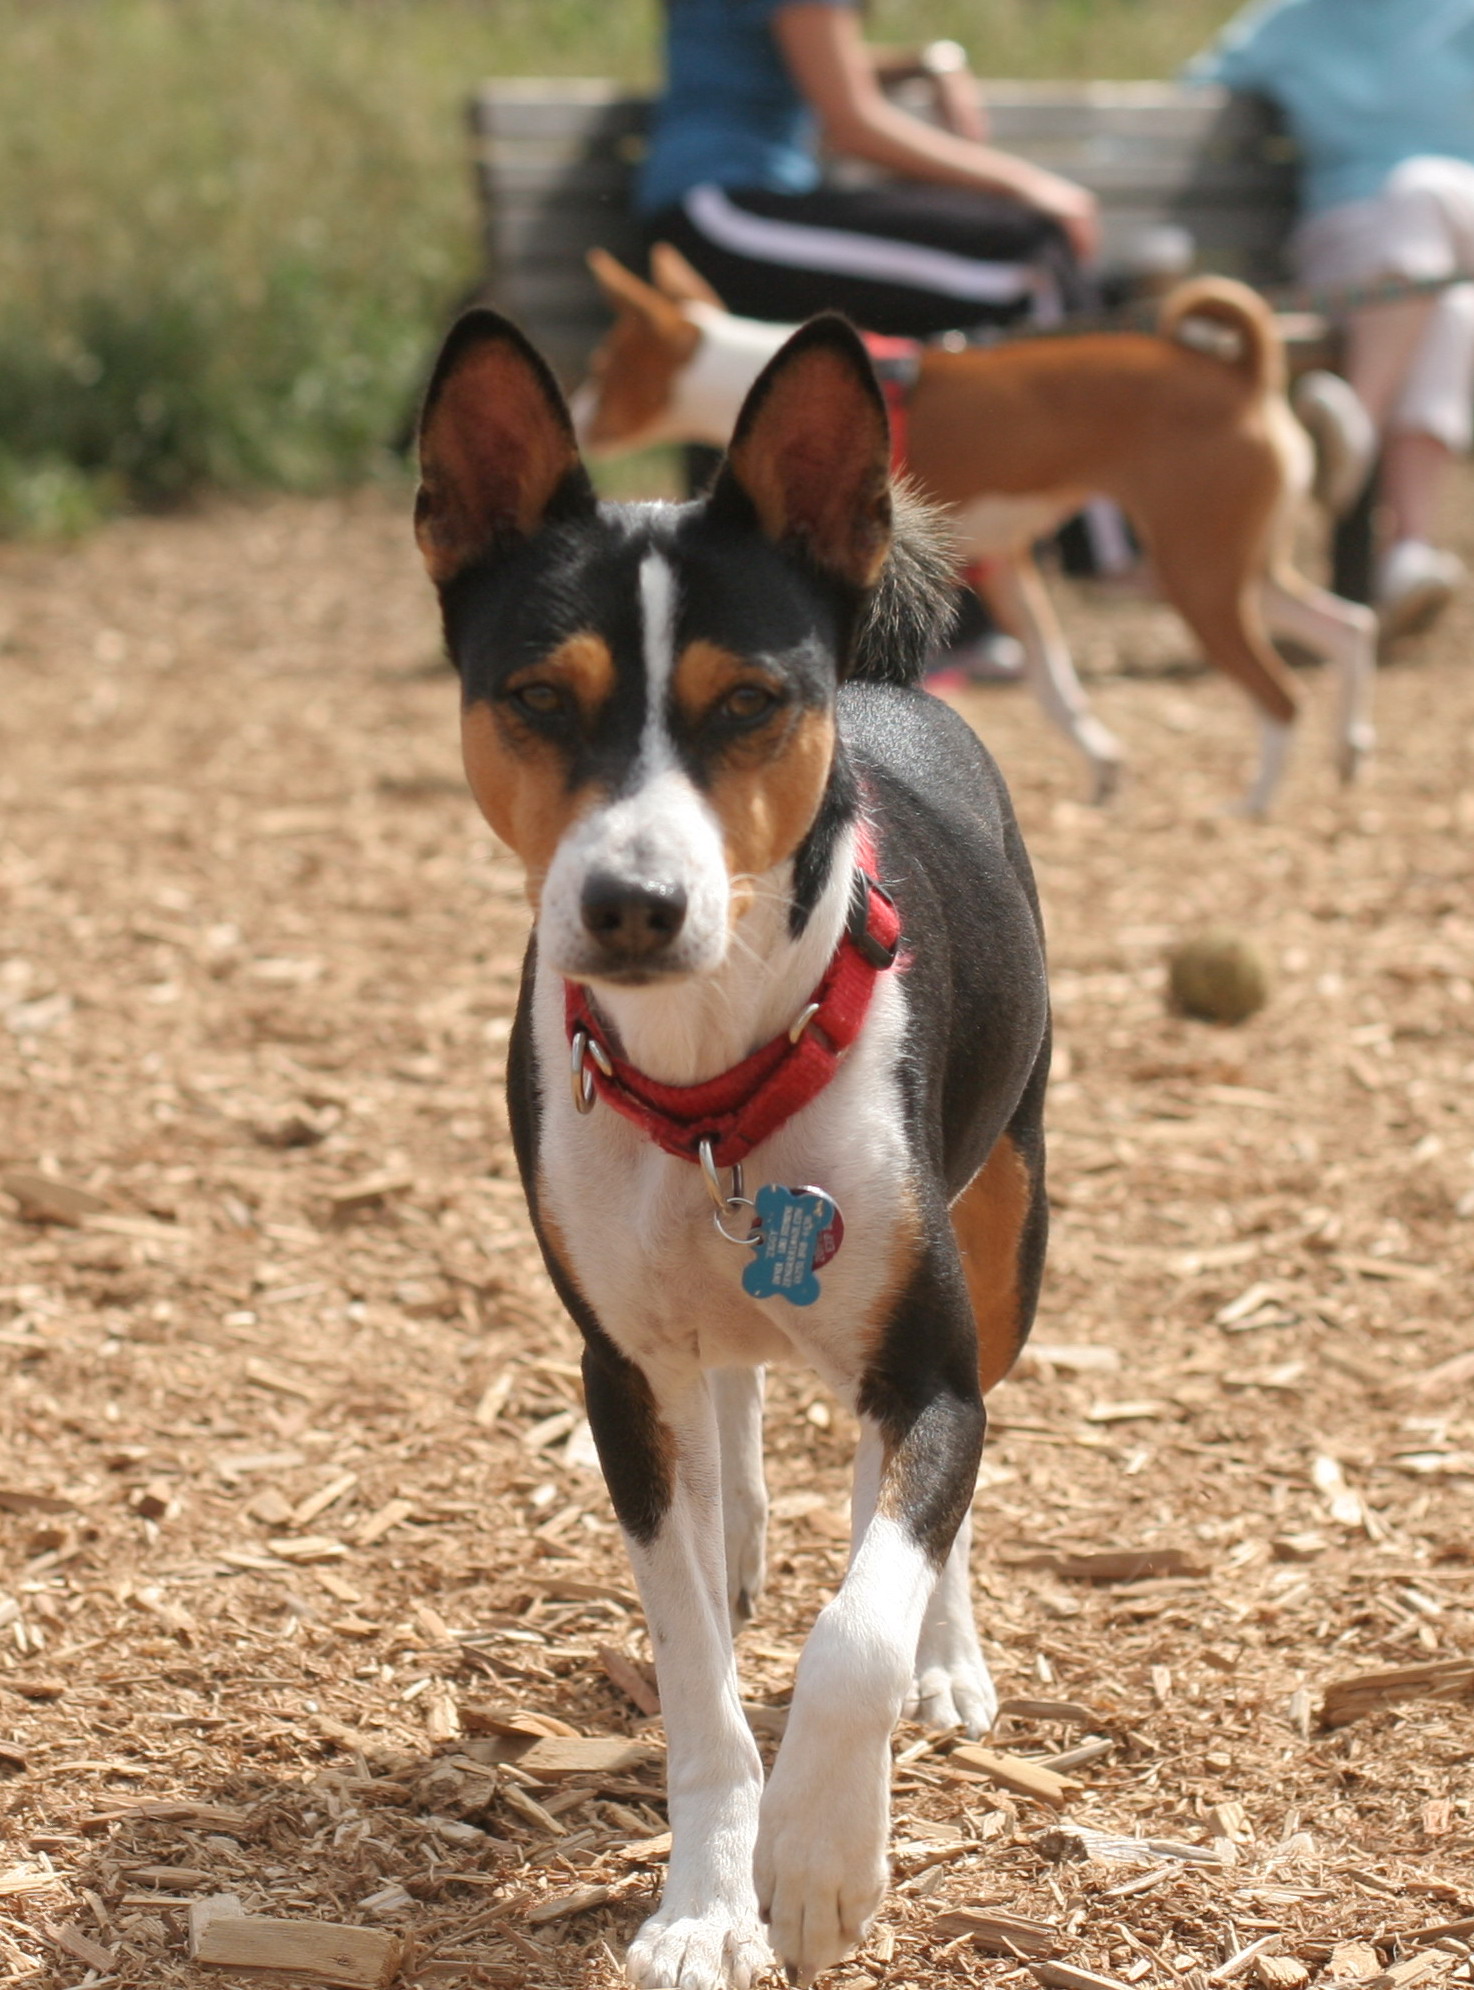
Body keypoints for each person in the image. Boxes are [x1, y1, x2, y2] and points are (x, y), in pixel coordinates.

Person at [1188, 0, 1474, 643]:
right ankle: (1407, 553)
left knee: (1422, 190)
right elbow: (1193, 93)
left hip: (1460, 211)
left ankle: (1355, 425)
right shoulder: (1292, 19)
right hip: (1349, 245)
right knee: (1453, 309)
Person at [635, 1, 1099, 339]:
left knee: (1015, 244)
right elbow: (853, 128)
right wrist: (1025, 184)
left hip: (734, 209)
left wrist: (927, 63)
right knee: (1027, 262)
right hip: (726, 215)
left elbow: (818, 61)